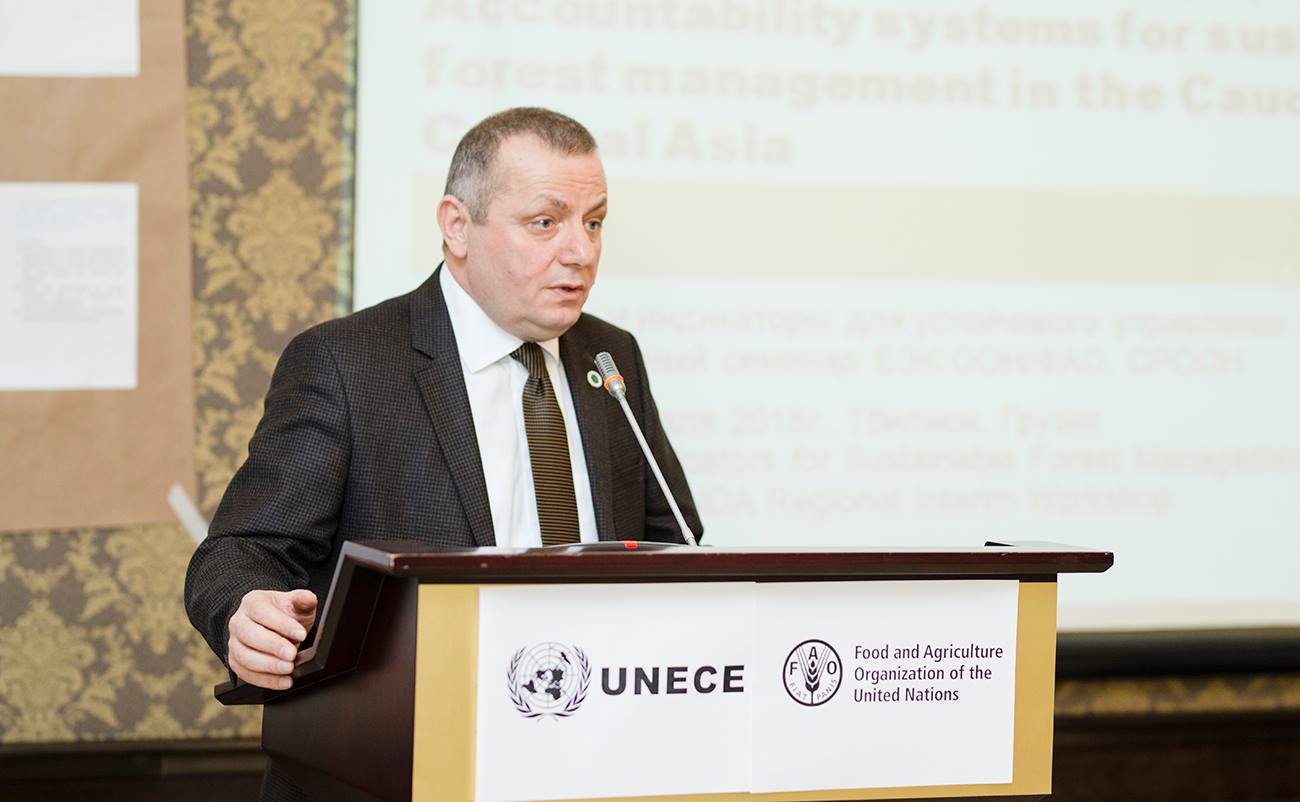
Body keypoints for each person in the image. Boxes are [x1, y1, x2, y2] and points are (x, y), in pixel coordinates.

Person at [183, 108, 701, 797]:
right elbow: (238, 552)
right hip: (399, 758)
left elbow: (673, 540)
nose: (580, 251)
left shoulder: (609, 356)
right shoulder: (346, 363)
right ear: (457, 226)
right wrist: (245, 608)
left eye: (595, 222)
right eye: (545, 222)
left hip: (590, 757)